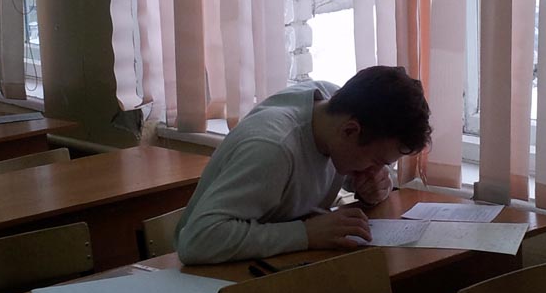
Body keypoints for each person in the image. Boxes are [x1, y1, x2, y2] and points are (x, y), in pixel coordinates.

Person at [174, 65, 432, 264]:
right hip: (207, 280)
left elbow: (317, 170)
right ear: (350, 131)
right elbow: (197, 241)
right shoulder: (272, 148)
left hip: (273, 265)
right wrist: (306, 234)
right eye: (377, 162)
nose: (376, 170)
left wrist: (372, 186)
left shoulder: (335, 110)